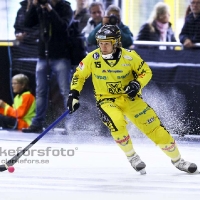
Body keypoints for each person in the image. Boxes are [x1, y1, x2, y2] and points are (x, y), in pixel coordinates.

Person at [67, 24, 198, 174]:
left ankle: (178, 160)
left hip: (131, 99)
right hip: (106, 100)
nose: (103, 47)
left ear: (115, 42)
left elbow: (146, 72)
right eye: (100, 43)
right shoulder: (92, 58)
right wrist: (73, 94)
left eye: (107, 43)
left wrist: (137, 83)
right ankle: (132, 157)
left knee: (155, 129)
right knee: (116, 122)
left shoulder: (130, 56)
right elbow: (79, 75)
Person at [22, 0, 73, 133]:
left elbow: (63, 26)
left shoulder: (65, 7)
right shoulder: (40, 7)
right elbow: (27, 23)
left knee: (66, 91)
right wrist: (33, 6)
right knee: (40, 91)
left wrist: (50, 9)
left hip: (61, 55)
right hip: (43, 55)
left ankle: (71, 125)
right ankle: (37, 123)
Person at [13, 0, 39, 73]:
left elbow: (40, 29)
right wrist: (18, 34)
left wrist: (26, 37)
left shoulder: (40, 9)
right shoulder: (21, 10)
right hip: (21, 45)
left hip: (35, 46)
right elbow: (16, 27)